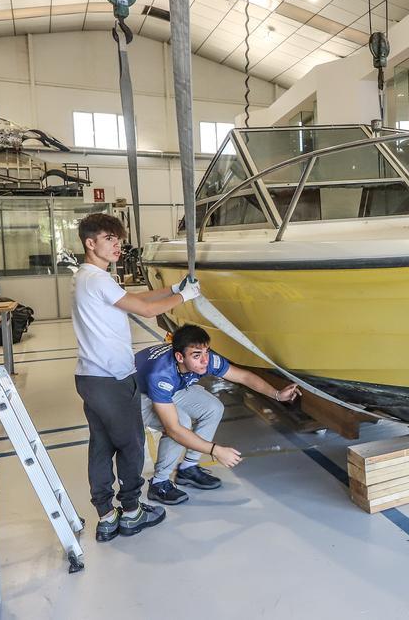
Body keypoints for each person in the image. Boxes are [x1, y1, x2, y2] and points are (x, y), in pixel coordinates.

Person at [72, 213, 201, 542]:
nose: (117, 245)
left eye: (118, 239)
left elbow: (135, 300)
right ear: (91, 243)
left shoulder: (88, 277)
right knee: (131, 444)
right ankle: (131, 511)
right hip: (113, 379)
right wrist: (185, 297)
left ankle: (106, 515)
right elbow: (144, 311)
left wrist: (171, 288)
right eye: (109, 239)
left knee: (101, 446)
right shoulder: (97, 279)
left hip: (91, 378)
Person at [136, 324, 299, 504]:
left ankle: (188, 469)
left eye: (206, 352)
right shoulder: (161, 375)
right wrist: (216, 450)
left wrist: (277, 394)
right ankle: (159, 483)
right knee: (180, 422)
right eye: (197, 356)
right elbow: (173, 429)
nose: (205, 361)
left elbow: (243, 377)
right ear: (180, 357)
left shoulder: (204, 359)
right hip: (136, 397)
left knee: (213, 407)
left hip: (174, 387)